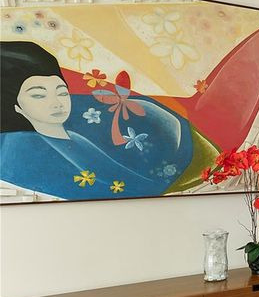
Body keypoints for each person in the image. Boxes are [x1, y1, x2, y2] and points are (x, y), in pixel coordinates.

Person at [0, 41, 193, 200]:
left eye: (61, 92)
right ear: (16, 106)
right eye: (39, 96)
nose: (57, 103)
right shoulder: (21, 149)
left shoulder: (73, 137)